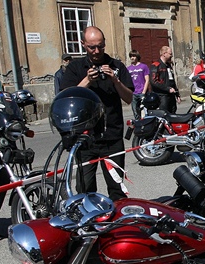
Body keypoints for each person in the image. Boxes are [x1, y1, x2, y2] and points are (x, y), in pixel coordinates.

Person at [60, 26, 134, 201]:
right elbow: (66, 97)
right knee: (84, 188)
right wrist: (87, 80)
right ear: (83, 44)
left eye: (100, 46)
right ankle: (89, 223)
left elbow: (129, 98)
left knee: (116, 187)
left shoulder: (116, 65)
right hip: (85, 139)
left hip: (111, 137)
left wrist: (115, 80)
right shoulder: (75, 68)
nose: (96, 51)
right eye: (91, 47)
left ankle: (117, 224)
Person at [150, 46, 181, 113]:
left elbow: (172, 81)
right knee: (164, 114)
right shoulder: (156, 65)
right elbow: (153, 81)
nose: (171, 56)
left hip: (171, 96)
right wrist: (167, 89)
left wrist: (177, 94)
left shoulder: (168, 65)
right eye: (170, 54)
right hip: (162, 96)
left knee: (173, 114)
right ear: (164, 54)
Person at [127, 49, 150, 121]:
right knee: (135, 111)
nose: (132, 58)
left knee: (144, 111)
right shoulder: (128, 69)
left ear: (137, 56)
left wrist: (144, 91)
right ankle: (138, 125)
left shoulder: (143, 66)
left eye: (133, 56)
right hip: (133, 93)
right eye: (131, 56)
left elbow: (147, 80)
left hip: (142, 92)